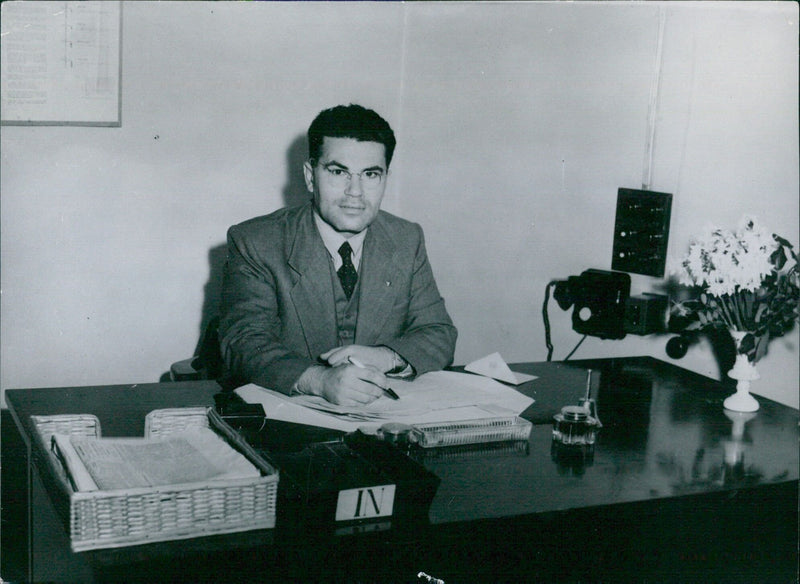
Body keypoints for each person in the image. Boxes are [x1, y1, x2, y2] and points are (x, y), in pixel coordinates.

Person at [219, 104, 457, 406]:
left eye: (370, 174)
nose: (355, 192)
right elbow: (243, 342)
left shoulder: (406, 238)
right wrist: (318, 381)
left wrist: (387, 357)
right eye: (338, 172)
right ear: (309, 176)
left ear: (385, 178)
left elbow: (439, 333)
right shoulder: (256, 241)